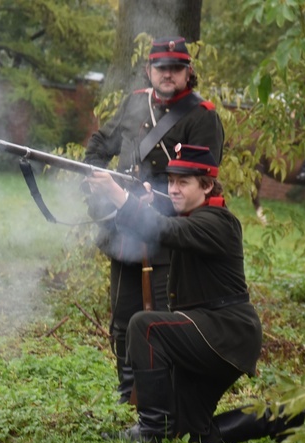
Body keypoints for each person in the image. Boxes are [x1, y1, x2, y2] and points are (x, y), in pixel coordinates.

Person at [86, 144, 305, 443]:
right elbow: (163, 226)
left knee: (144, 326)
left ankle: (151, 433)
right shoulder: (193, 216)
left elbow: (166, 231)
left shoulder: (218, 222)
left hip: (227, 333)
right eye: (171, 182)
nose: (173, 189)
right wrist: (142, 204)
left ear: (207, 185)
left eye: (183, 182)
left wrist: (118, 196)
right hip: (212, 334)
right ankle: (284, 416)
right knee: (195, 435)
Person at [83, 36, 224, 404]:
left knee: (165, 318)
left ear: (188, 73)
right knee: (122, 318)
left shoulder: (202, 115)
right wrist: (101, 181)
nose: (168, 74)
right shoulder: (135, 103)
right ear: (149, 70)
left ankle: (164, 398)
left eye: (176, 68)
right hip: (124, 228)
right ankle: (128, 393)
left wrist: (156, 197)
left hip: (168, 236)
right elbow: (98, 145)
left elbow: (202, 179)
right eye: (161, 68)